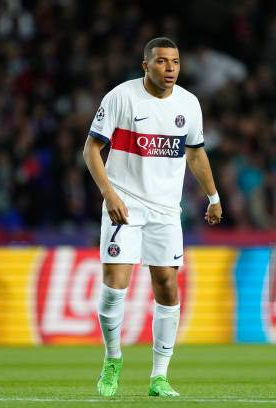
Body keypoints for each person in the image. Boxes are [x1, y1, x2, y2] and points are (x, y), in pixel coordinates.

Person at [83, 37, 222, 398]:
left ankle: (159, 377)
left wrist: (213, 196)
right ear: (146, 65)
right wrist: (109, 194)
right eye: (162, 61)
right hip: (124, 204)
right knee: (115, 287)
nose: (170, 68)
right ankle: (112, 360)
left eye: (175, 61)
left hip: (165, 211)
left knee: (167, 287)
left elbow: (195, 155)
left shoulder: (189, 104)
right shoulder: (121, 97)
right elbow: (91, 149)